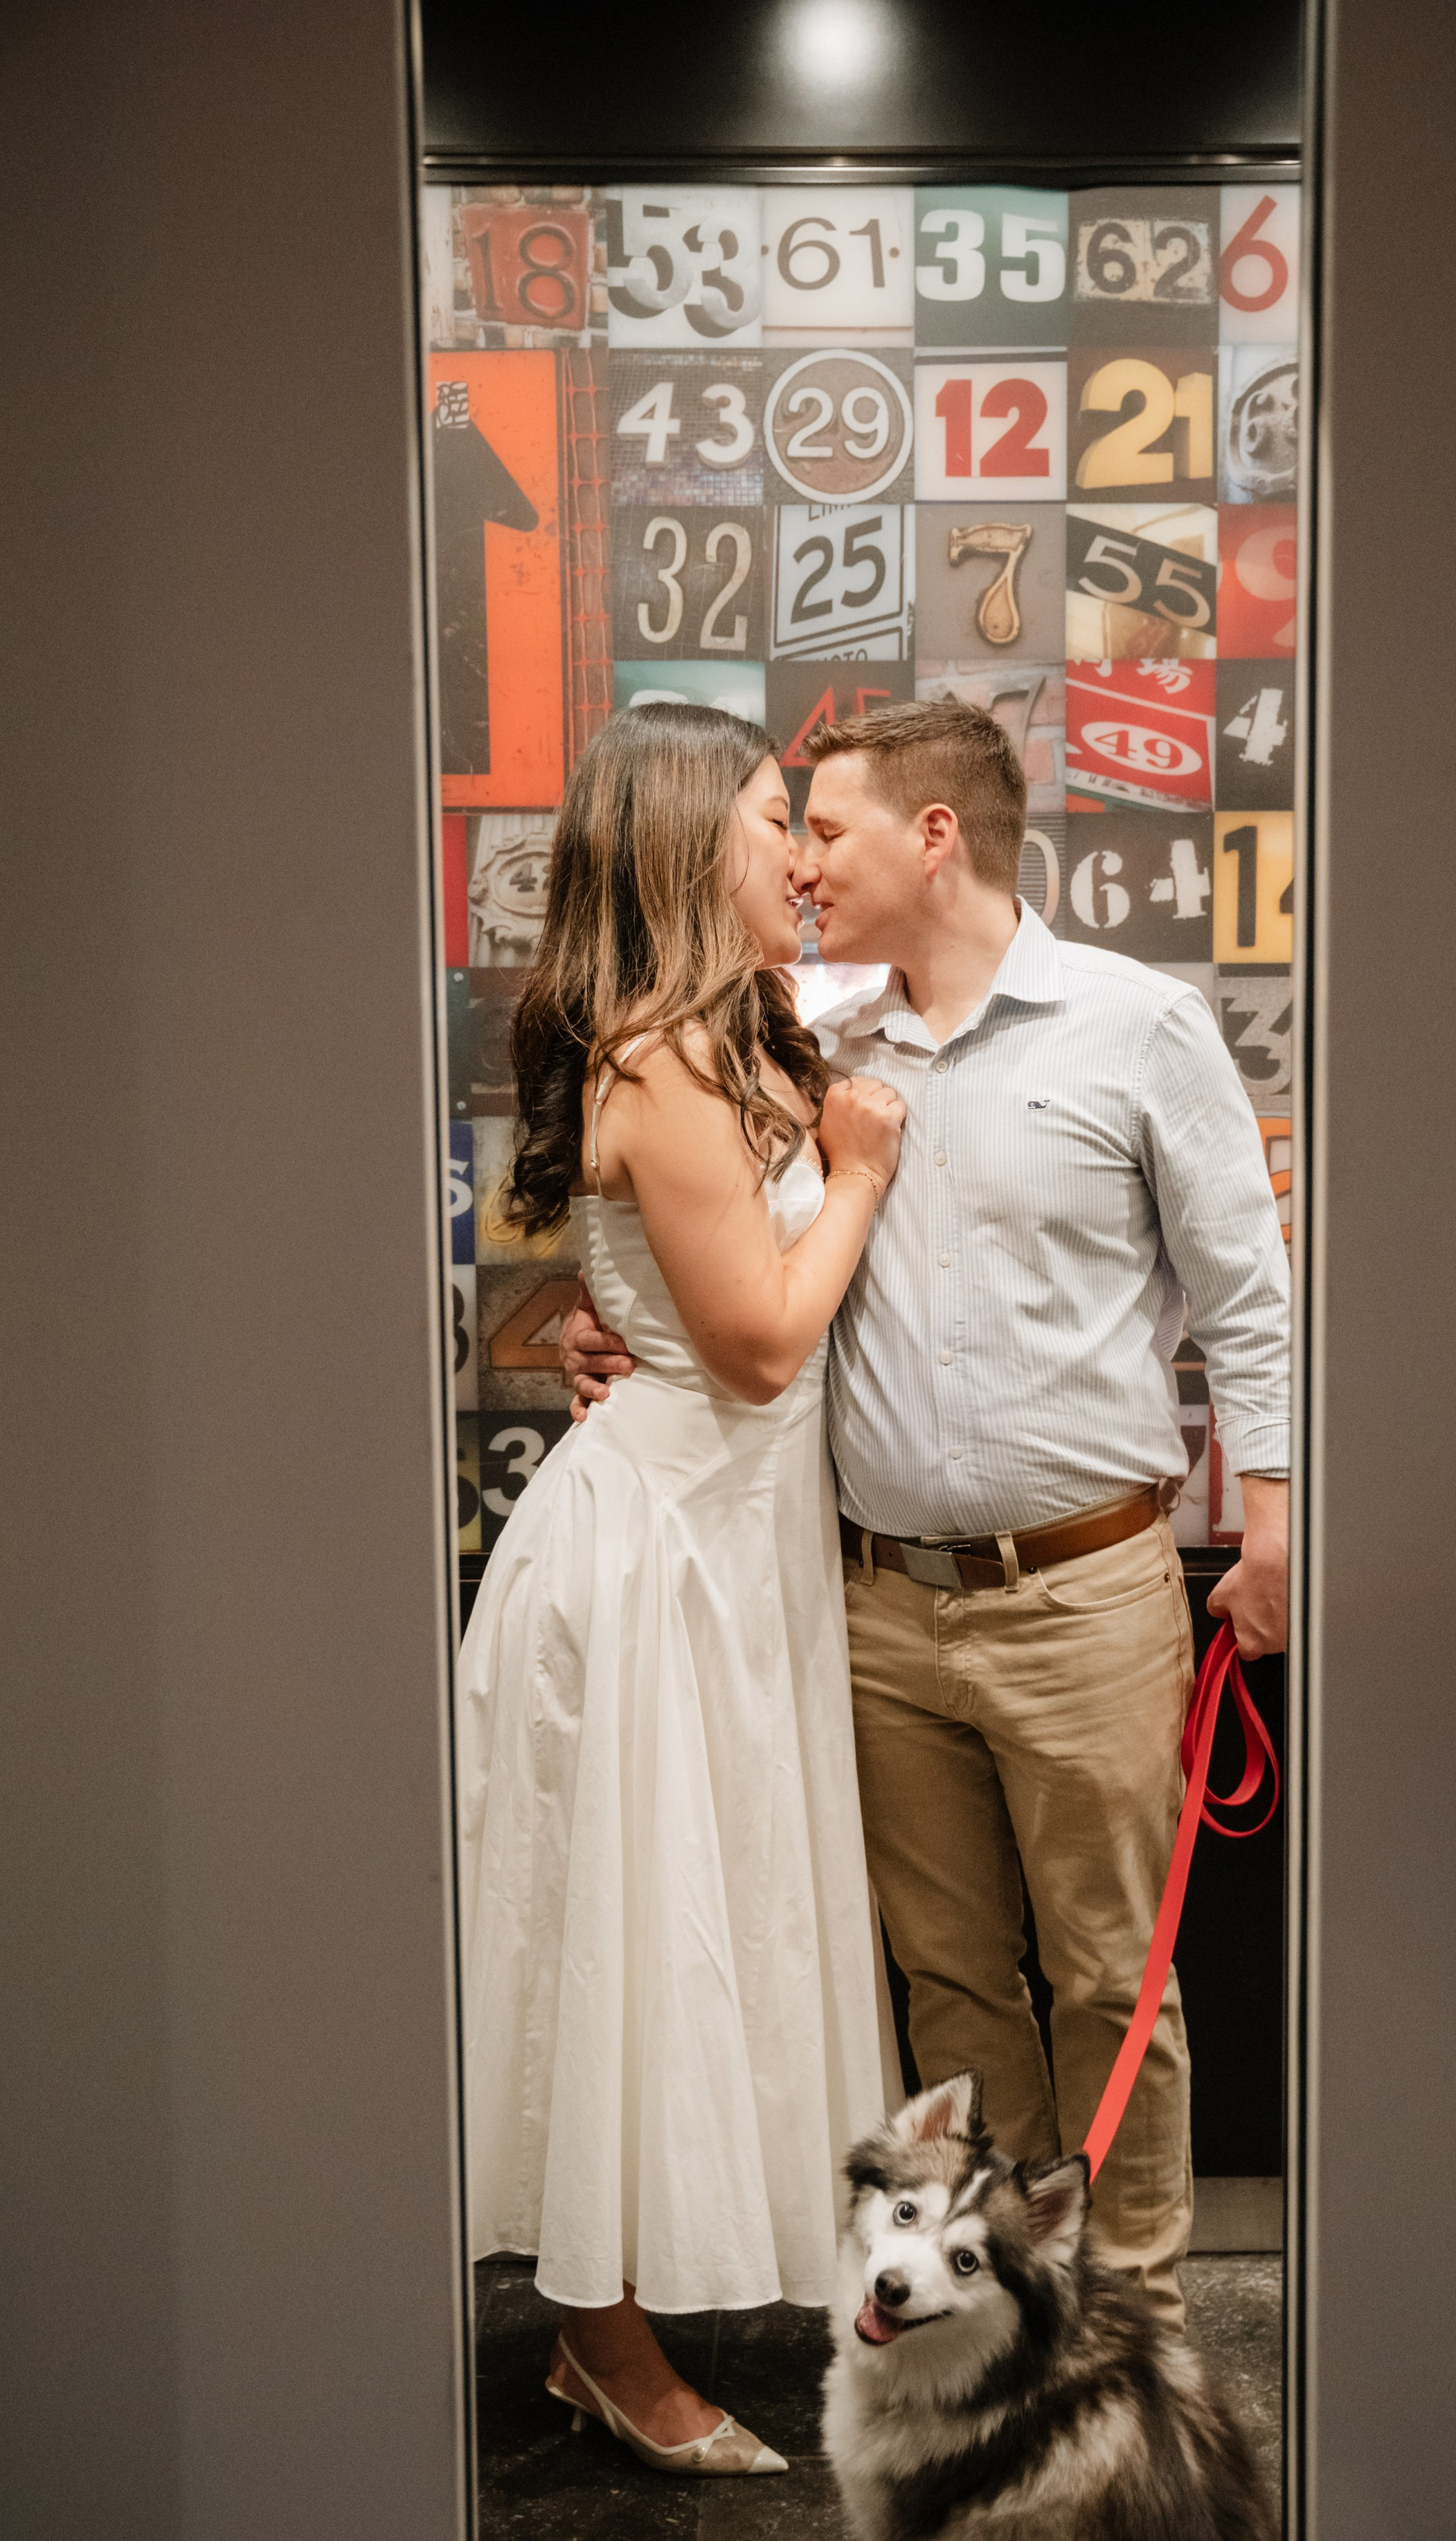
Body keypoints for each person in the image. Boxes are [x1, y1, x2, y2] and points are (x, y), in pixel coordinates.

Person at [565, 698, 1290, 2336]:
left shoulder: (1137, 1025)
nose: (803, 864)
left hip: (1089, 1592)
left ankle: (1136, 2313)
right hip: (876, 1605)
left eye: (825, 830)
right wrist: (589, 1324)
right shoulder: (802, 1036)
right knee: (950, 1984)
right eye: (793, 833)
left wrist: (1274, 1522)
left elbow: (1250, 1300)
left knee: (1112, 1977)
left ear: (933, 837)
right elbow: (694, 1250)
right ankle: (1003, 2299)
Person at [460, 704, 907, 2476]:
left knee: (693, 1934)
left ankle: (636, 2308)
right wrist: (861, 1176)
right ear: (679, 850)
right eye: (770, 818)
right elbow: (756, 1341)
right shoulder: (659, 1057)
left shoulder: (736, 1037)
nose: (800, 852)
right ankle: (604, 2347)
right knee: (625, 1942)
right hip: (652, 1570)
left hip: (731, 1557)